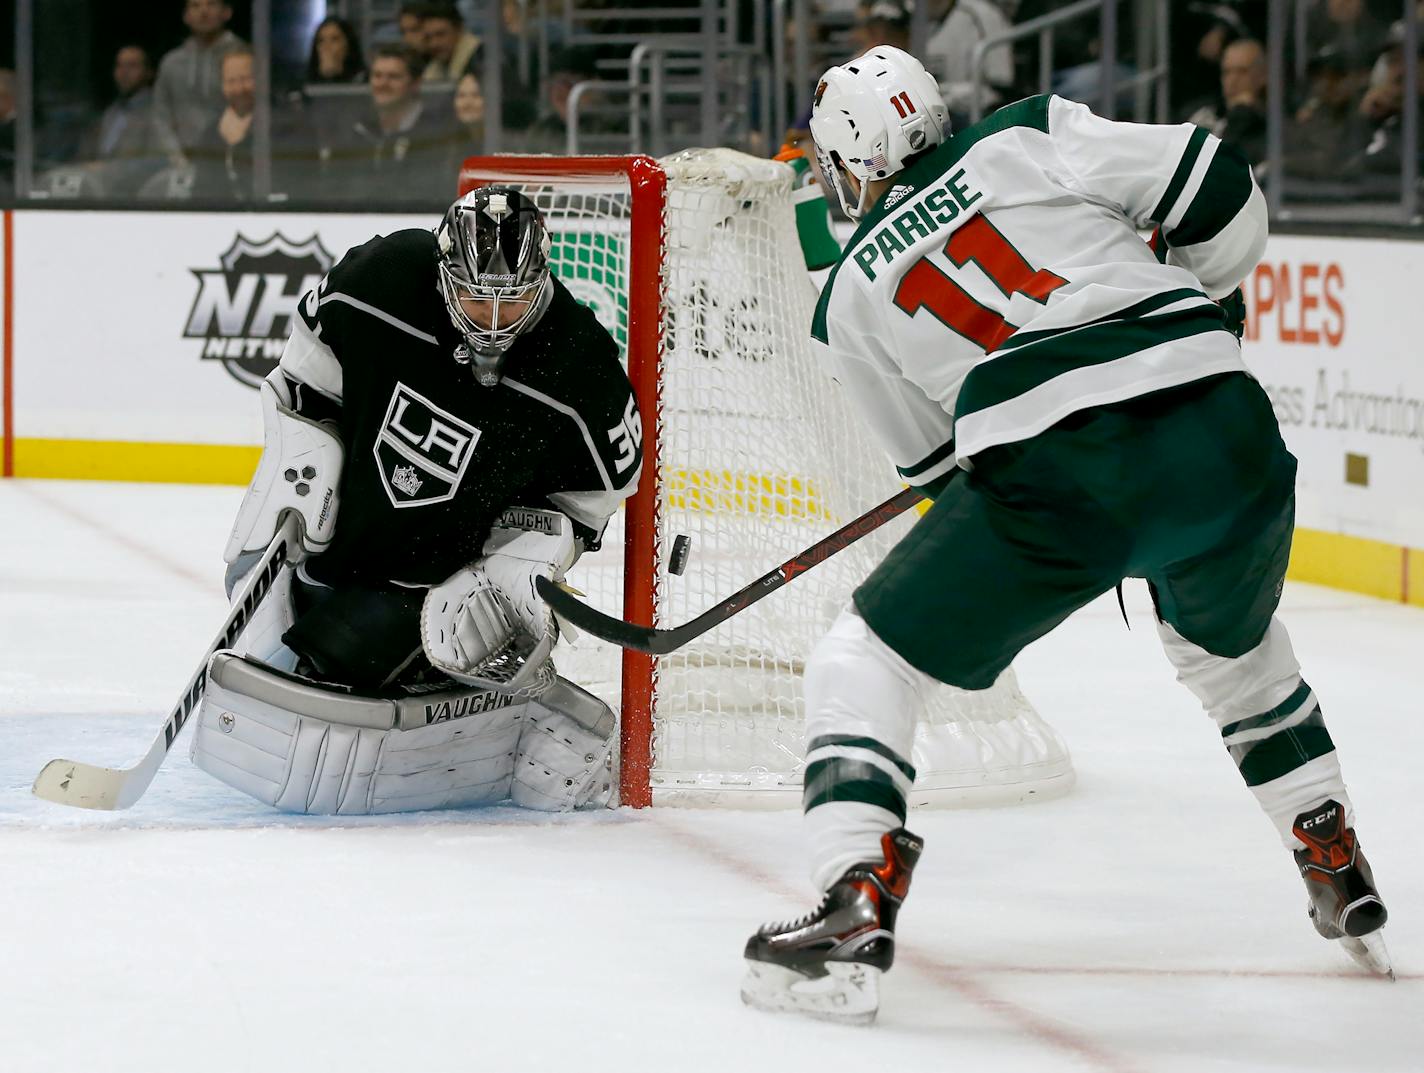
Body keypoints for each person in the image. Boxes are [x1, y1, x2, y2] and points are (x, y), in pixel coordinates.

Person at [741, 46, 1391, 1025]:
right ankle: (1328, 848)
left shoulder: (849, 304)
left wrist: (1061, 481)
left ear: (850, 158)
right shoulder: (1024, 134)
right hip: (1227, 431)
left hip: (1061, 475)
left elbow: (936, 478)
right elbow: (1215, 181)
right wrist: (1202, 305)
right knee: (1237, 658)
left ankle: (852, 893)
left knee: (861, 652)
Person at [190, 186, 643, 816]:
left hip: (443, 583)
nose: (492, 321)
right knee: (255, 614)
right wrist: (303, 465)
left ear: (542, 280)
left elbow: (590, 493)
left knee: (340, 658)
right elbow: (308, 371)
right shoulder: (382, 279)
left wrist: (518, 564)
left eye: (511, 299)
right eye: (476, 296)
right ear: (443, 272)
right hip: (345, 539)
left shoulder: (580, 366)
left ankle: (511, 691)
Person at [325, 44, 455, 203]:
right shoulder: (358, 130)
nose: (383, 84)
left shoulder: (437, 134)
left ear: (415, 84)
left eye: (394, 77)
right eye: (377, 76)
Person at [151, 0, 247, 164]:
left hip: (234, 158)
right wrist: (175, 155)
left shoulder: (244, 58)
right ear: (186, 16)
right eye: (195, 6)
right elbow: (160, 115)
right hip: (178, 161)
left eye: (211, 4)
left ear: (226, 12)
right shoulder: (171, 63)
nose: (203, 12)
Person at [1184, 37, 1269, 167]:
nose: (1232, 81)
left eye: (1242, 71)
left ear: (1263, 76)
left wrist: (1242, 113)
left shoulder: (1274, 125)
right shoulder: (1204, 114)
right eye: (1227, 72)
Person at [422, 3, 482, 83]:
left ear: (459, 29)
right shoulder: (435, 66)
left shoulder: (480, 57)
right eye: (428, 37)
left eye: (440, 34)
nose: (434, 44)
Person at [306, 16, 367, 85]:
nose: (326, 46)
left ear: (348, 45)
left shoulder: (364, 79)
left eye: (334, 39)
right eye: (321, 41)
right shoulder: (304, 81)